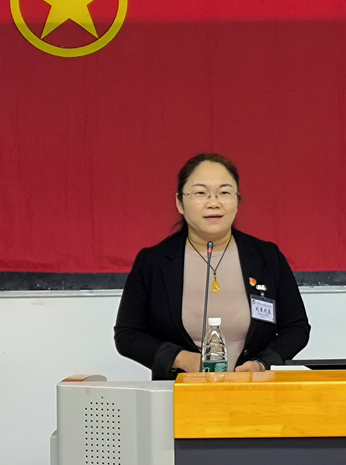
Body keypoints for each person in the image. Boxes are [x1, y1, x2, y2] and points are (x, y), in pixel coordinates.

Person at [114, 153, 311, 380]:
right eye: (200, 193)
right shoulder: (153, 262)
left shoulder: (267, 257)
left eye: (224, 193)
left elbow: (296, 328)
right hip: (180, 393)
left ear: (237, 200)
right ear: (180, 202)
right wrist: (180, 358)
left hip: (254, 391)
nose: (213, 202)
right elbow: (128, 335)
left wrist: (262, 363)